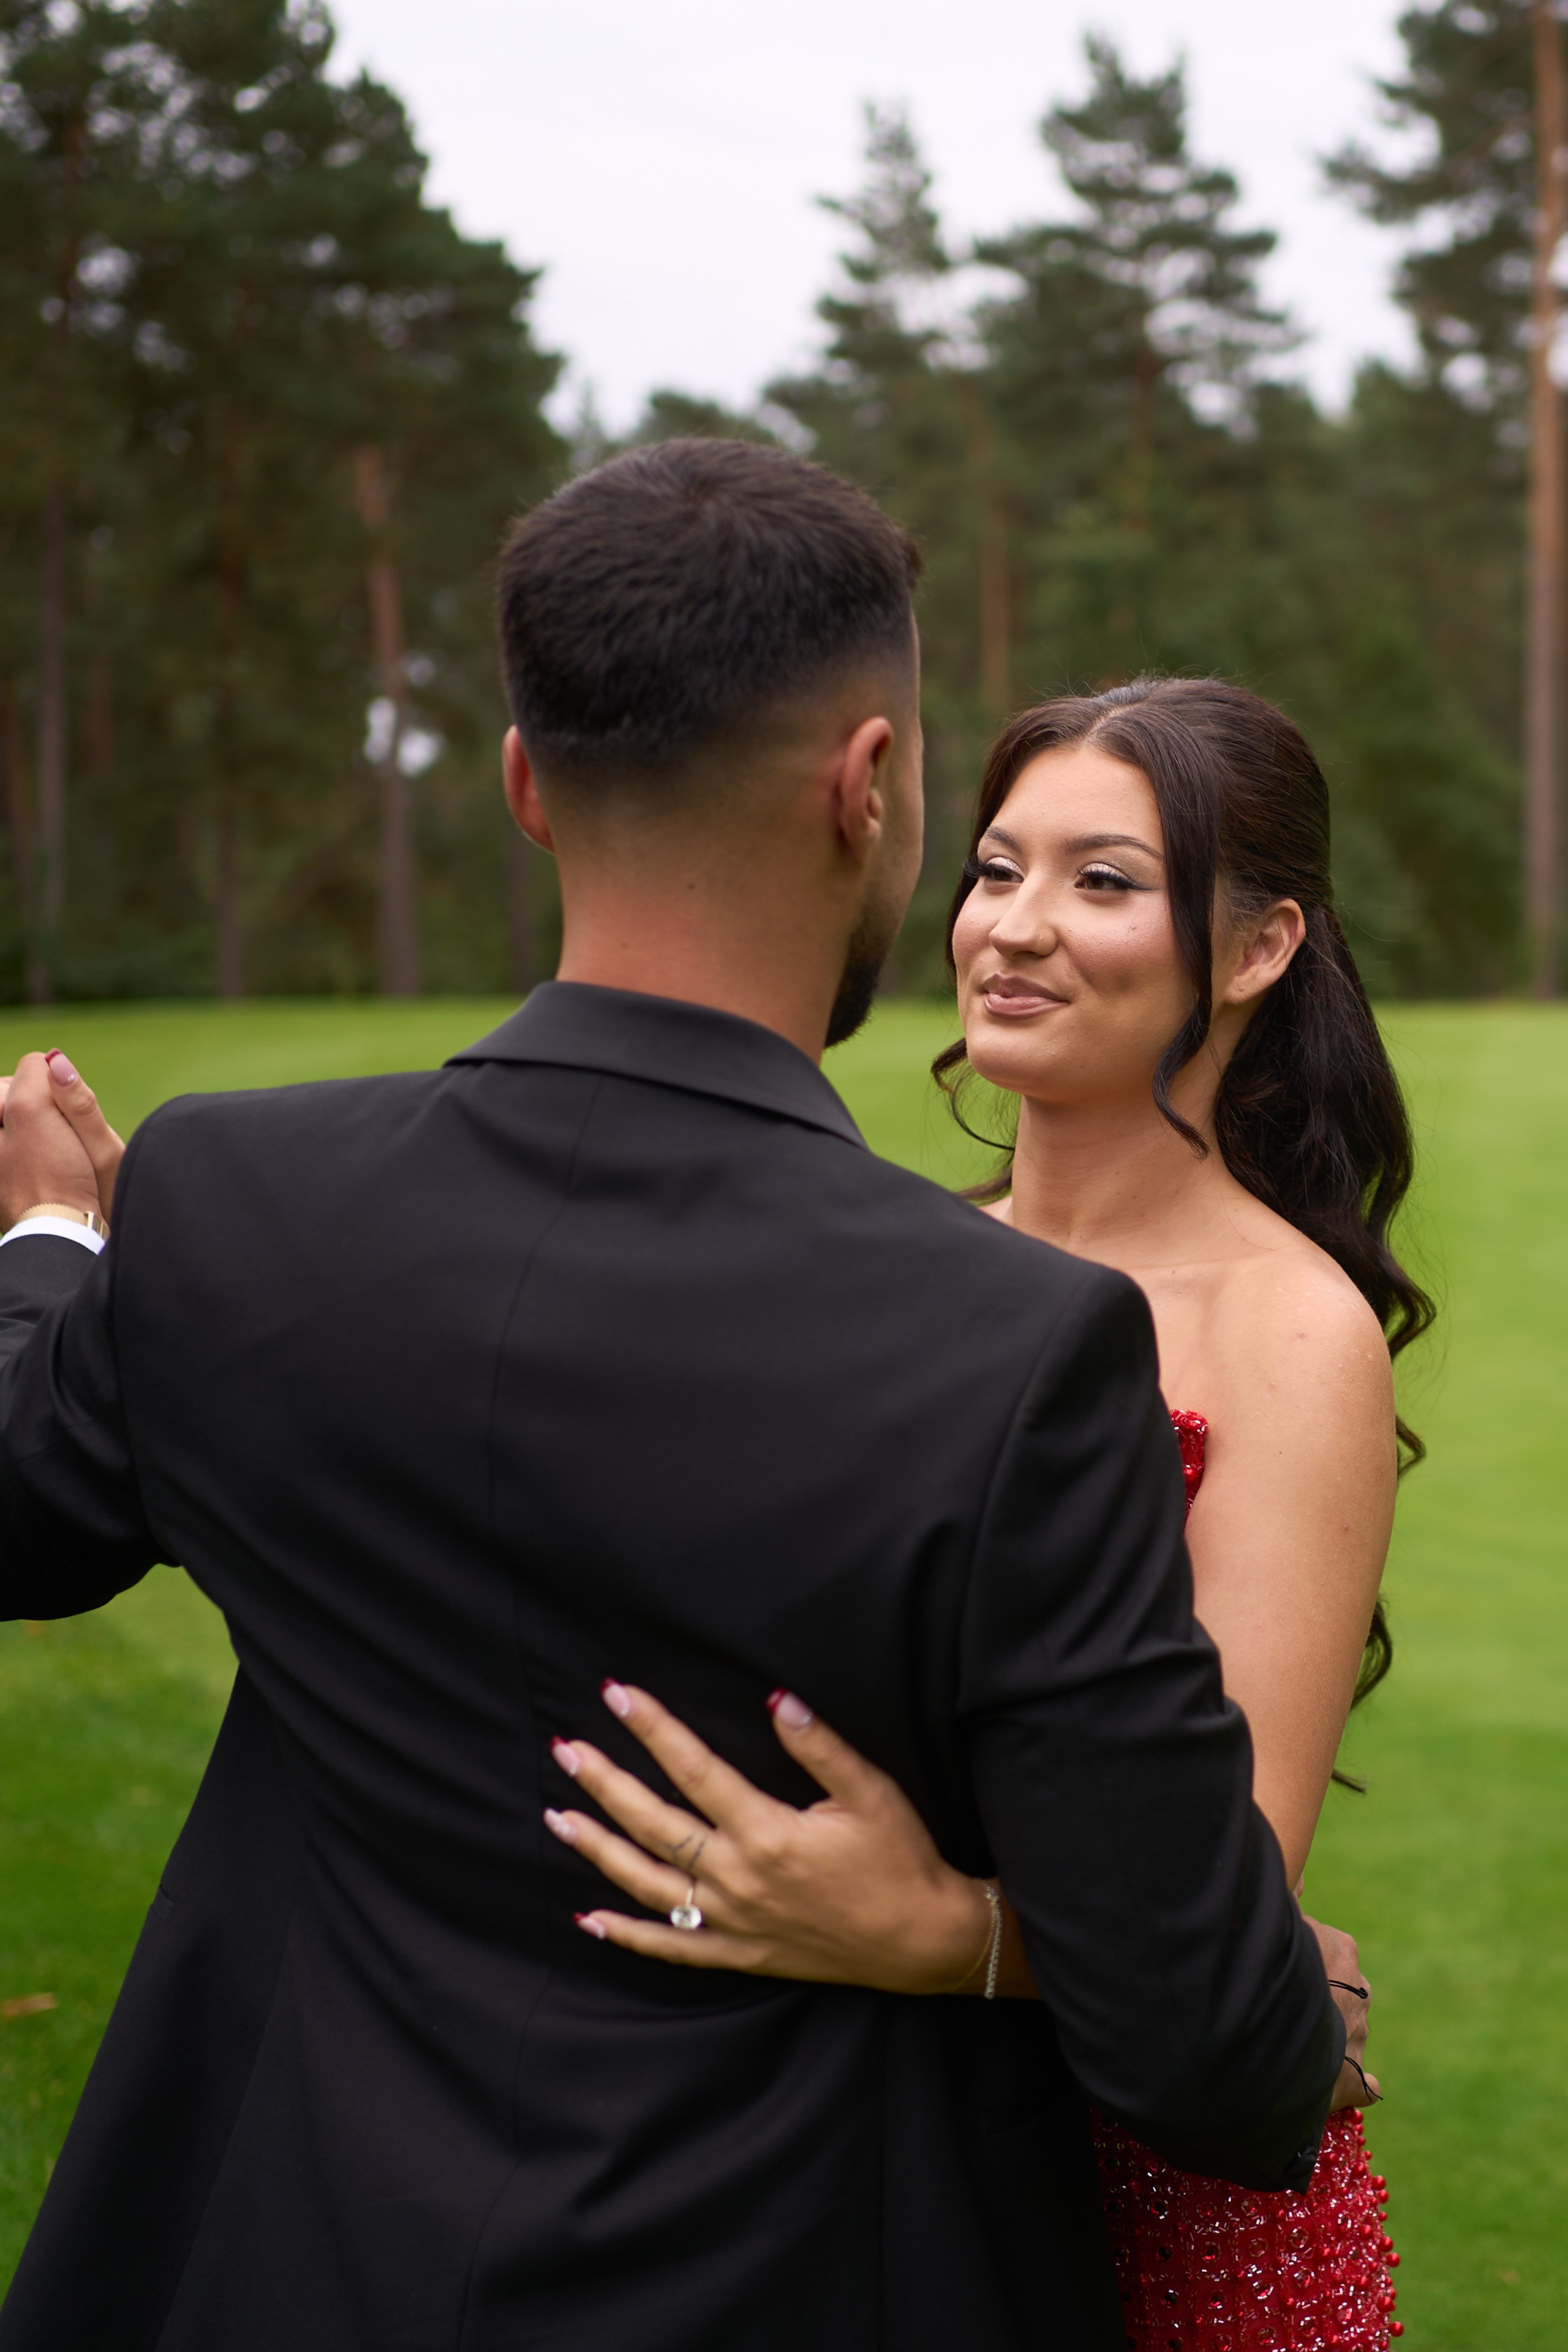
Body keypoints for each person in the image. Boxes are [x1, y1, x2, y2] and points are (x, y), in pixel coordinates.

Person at [0, 447, 1359, 2352]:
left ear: (524, 786)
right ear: (871, 790)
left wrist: (58, 1243)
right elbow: (1220, 2042)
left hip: (278, 2254)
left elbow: (25, 1515)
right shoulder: (1010, 1347)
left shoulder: (226, 1203)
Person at [536, 677, 1425, 2350]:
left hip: (1146, 2188)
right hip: (840, 2116)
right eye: (997, 869)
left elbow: (1227, 1887)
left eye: (1102, 882)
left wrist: (946, 1939)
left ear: (1256, 948)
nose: (1012, 929)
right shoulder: (895, 1254)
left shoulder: (1284, 1329)